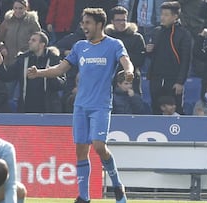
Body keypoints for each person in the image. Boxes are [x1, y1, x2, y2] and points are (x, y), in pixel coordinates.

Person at [27, 7, 133, 203]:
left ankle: (118, 185)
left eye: (88, 23)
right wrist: (39, 73)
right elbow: (60, 69)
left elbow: (126, 61)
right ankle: (84, 197)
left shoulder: (113, 44)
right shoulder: (79, 47)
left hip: (100, 105)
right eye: (83, 23)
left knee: (99, 146)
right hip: (81, 106)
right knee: (81, 150)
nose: (84, 26)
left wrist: (129, 71)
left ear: (99, 24)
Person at [0, 31, 65, 113]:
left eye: (33, 40)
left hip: (48, 109)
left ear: (42, 44)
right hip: (26, 108)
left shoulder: (53, 59)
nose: (29, 42)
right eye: (30, 40)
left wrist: (50, 74)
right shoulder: (23, 59)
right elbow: (6, 77)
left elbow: (62, 84)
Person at [146, 1, 191, 115]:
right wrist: (149, 51)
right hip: (156, 79)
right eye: (162, 14)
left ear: (175, 16)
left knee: (175, 109)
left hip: (173, 80)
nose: (162, 17)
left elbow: (186, 60)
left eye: (166, 15)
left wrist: (180, 82)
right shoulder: (157, 31)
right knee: (156, 108)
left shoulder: (183, 34)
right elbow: (153, 56)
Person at [105, 6, 146, 95]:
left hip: (131, 79)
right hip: (109, 79)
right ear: (112, 22)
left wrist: (121, 57)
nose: (122, 23)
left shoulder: (136, 38)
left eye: (124, 20)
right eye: (118, 20)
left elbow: (140, 60)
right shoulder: (107, 38)